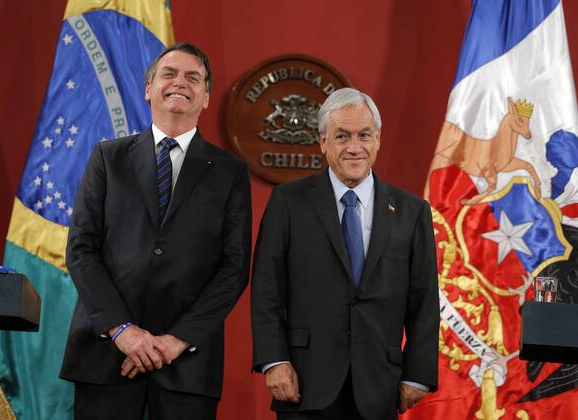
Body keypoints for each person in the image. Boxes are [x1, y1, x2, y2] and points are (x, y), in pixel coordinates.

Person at [60, 42, 252, 420]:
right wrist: (123, 332)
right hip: (106, 357)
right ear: (149, 88)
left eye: (193, 78)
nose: (180, 82)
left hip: (187, 366)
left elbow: (234, 268)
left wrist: (174, 341)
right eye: (170, 73)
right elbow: (81, 250)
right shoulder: (107, 158)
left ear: (206, 96)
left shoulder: (230, 172)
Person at [251, 87, 438, 420]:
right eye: (342, 136)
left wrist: (417, 374)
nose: (355, 147)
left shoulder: (412, 211)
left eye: (364, 135)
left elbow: (424, 300)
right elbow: (267, 290)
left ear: (378, 139)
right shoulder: (288, 202)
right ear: (323, 142)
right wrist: (274, 361)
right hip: (304, 384)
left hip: (381, 387)